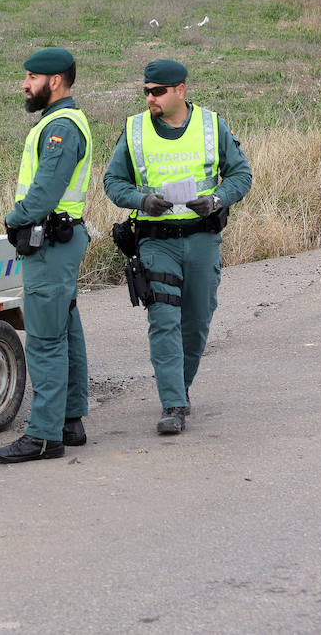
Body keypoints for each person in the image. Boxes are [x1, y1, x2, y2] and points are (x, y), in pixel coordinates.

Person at [103, 59, 252, 435]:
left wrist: (217, 199)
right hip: (157, 242)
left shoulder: (211, 124)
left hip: (202, 238)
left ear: (180, 91)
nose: (150, 98)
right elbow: (112, 181)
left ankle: (179, 389)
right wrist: (142, 201)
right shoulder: (134, 129)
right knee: (164, 321)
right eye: (146, 91)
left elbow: (241, 174)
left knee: (197, 322)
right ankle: (172, 404)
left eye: (158, 91)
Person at [0, 48, 94, 465]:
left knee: (45, 340)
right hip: (58, 240)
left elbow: (46, 190)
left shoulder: (60, 128)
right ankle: (69, 421)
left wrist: (13, 217)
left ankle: (43, 436)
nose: (24, 83)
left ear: (55, 81)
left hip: (50, 242)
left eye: (32, 76)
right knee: (66, 329)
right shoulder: (62, 122)